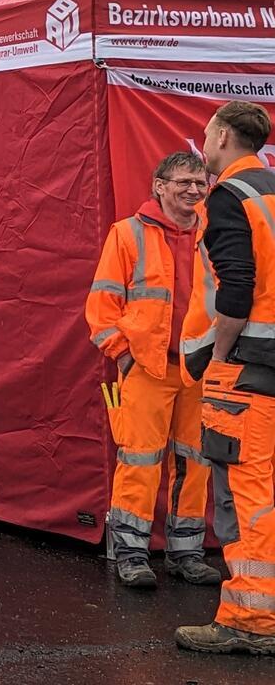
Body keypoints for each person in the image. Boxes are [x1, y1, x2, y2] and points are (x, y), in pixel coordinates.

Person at [86, 151, 221, 588]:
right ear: (159, 186)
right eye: (183, 182)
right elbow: (101, 307)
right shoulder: (126, 234)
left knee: (196, 463)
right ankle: (131, 553)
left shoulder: (215, 233)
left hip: (198, 371)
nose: (193, 190)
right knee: (139, 462)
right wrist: (124, 356)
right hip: (147, 368)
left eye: (200, 183)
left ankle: (186, 551)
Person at [176, 101, 275, 656]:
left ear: (219, 135)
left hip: (247, 371)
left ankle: (252, 622)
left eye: (206, 134)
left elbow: (235, 288)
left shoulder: (230, 198)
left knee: (247, 494)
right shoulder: (270, 190)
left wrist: (220, 356)